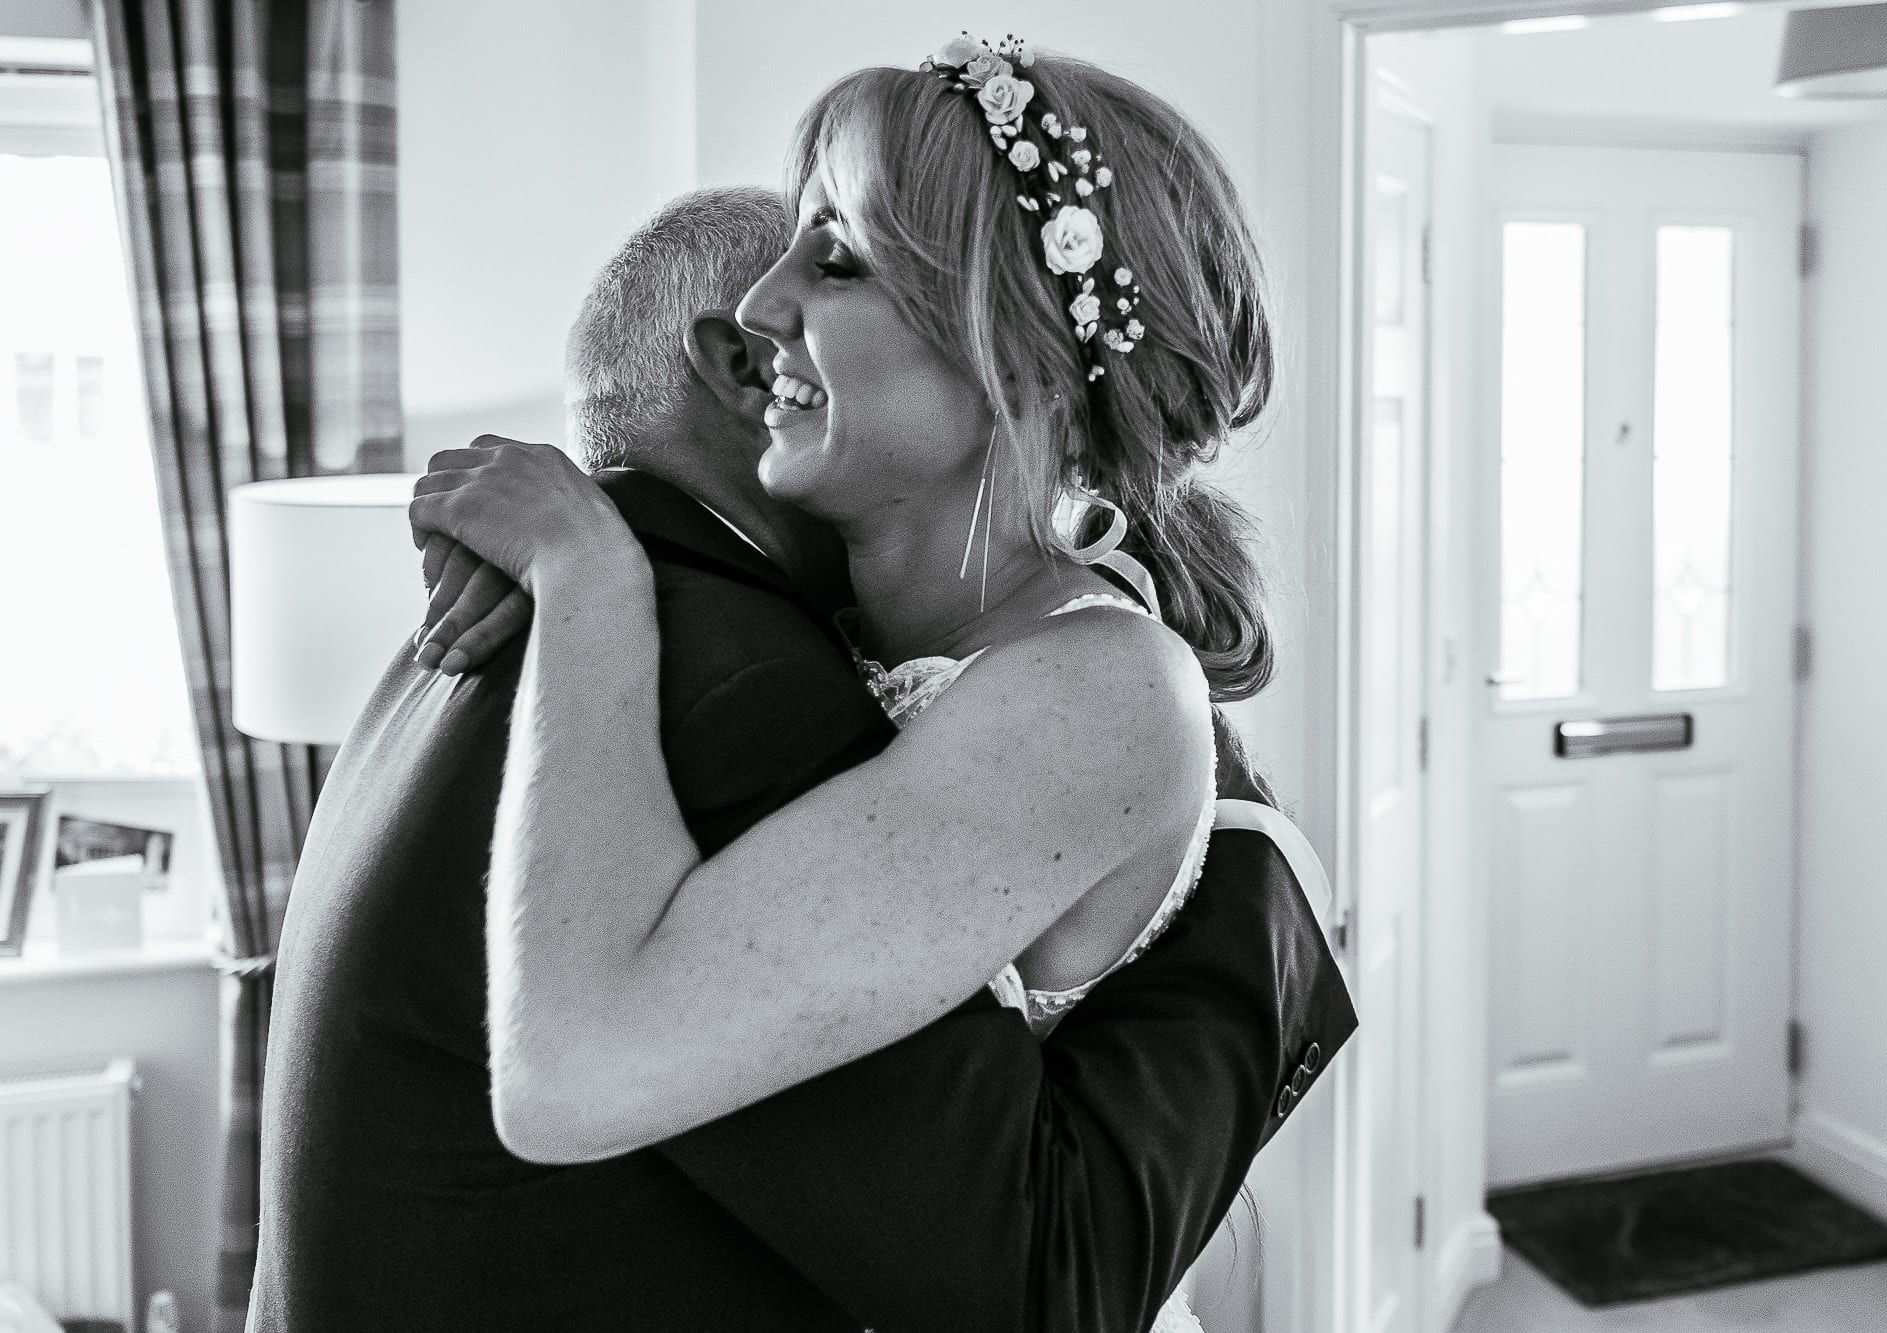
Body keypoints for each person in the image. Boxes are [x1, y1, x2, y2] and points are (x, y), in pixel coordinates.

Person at [253, 184, 1352, 1333]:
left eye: (843, 275)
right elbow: (1027, 1264)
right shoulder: (722, 686)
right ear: (746, 366)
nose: (799, 308)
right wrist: (1268, 901)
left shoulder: (506, 631)